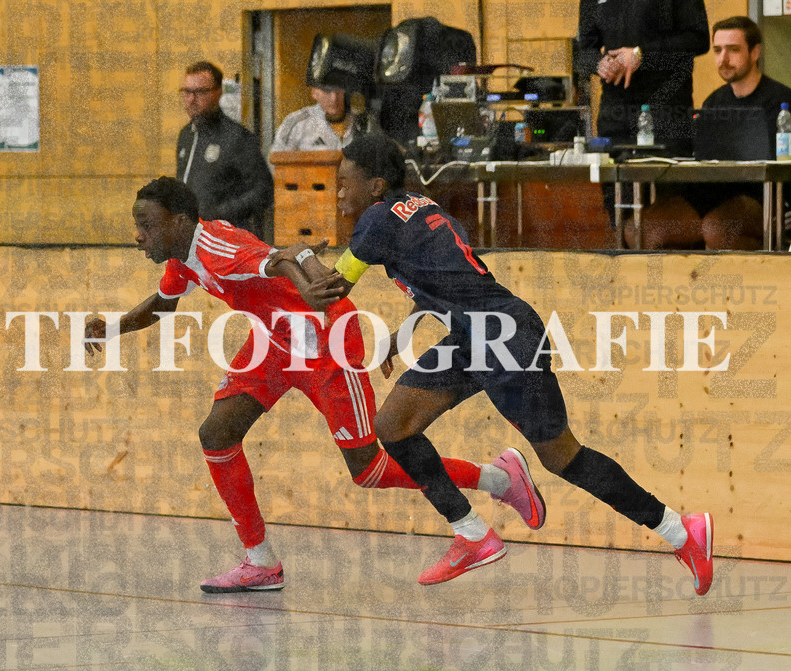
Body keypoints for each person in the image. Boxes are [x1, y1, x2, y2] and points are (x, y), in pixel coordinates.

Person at [273, 134, 713, 593]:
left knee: (563, 458)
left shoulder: (376, 219)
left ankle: (681, 531)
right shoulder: (421, 205)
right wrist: (403, 335)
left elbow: (330, 290)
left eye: (345, 182)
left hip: (505, 338)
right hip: (473, 334)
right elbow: (442, 280)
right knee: (393, 425)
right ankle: (473, 534)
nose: (339, 192)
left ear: (376, 185)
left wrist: (289, 259)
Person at [84, 176, 547, 593]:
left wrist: (307, 288)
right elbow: (164, 304)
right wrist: (115, 326)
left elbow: (288, 255)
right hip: (274, 339)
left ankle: (498, 478)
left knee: (369, 470)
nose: (138, 236)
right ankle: (260, 561)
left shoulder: (215, 249)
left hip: (325, 336)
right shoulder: (183, 257)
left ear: (179, 221)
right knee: (217, 433)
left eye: (145, 224)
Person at [625, 16, 791, 250]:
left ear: (755, 53)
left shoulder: (782, 102)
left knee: (718, 228)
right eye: (717, 50)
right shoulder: (713, 102)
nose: (723, 59)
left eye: (733, 50)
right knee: (638, 230)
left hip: (760, 198)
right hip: (710, 194)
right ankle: (675, 285)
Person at [576, 0, 710, 234]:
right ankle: (624, 262)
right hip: (615, 114)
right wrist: (599, 64)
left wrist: (641, 54)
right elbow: (582, 51)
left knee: (666, 209)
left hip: (667, 108)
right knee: (618, 207)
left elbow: (698, 39)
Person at [177, 61, 273, 238]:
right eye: (187, 92)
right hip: (192, 240)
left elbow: (264, 191)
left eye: (200, 92)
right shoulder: (185, 135)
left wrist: (218, 214)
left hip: (228, 240)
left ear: (217, 92)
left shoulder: (237, 137)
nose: (192, 99)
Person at [271, 86, 354, 152]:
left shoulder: (361, 122)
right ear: (314, 92)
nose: (334, 98)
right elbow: (276, 166)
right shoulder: (297, 122)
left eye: (338, 90)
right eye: (326, 91)